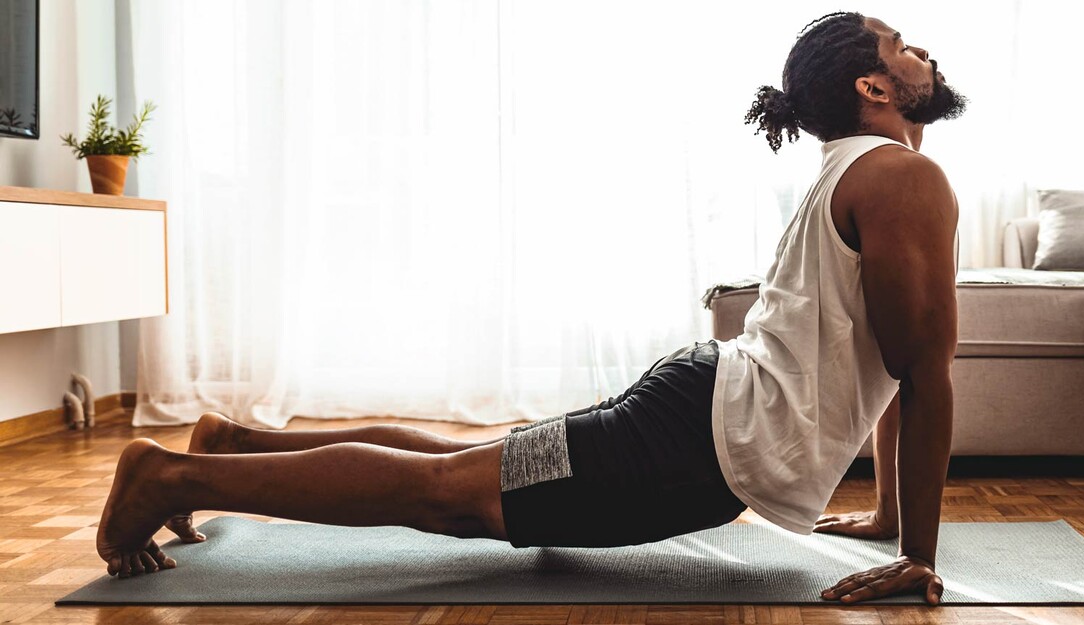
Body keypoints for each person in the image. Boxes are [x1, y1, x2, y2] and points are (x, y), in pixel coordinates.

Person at [95, 11, 964, 606]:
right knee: (451, 495)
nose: (920, 52)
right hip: (693, 445)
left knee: (465, 465)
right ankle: (170, 477)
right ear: (874, 87)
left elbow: (897, 364)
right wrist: (917, 557)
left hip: (699, 415)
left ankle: (233, 443)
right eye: (901, 45)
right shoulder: (901, 178)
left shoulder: (866, 170)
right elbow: (923, 375)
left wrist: (892, 519)